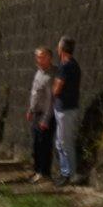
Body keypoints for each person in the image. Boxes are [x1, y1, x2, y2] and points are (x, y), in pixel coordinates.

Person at [52, 36, 82, 186]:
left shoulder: (65, 66)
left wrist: (54, 88)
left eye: (58, 47)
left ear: (61, 49)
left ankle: (71, 173)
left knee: (65, 142)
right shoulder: (73, 65)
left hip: (66, 109)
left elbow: (57, 89)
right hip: (65, 108)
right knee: (60, 142)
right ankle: (65, 171)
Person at [27, 47, 57, 183]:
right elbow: (35, 93)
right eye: (37, 56)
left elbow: (51, 99)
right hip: (36, 114)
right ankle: (37, 170)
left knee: (44, 144)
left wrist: (46, 119)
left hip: (46, 115)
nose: (38, 59)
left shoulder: (52, 75)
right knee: (36, 144)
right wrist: (30, 109)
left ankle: (44, 173)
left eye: (41, 56)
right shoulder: (39, 72)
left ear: (49, 57)